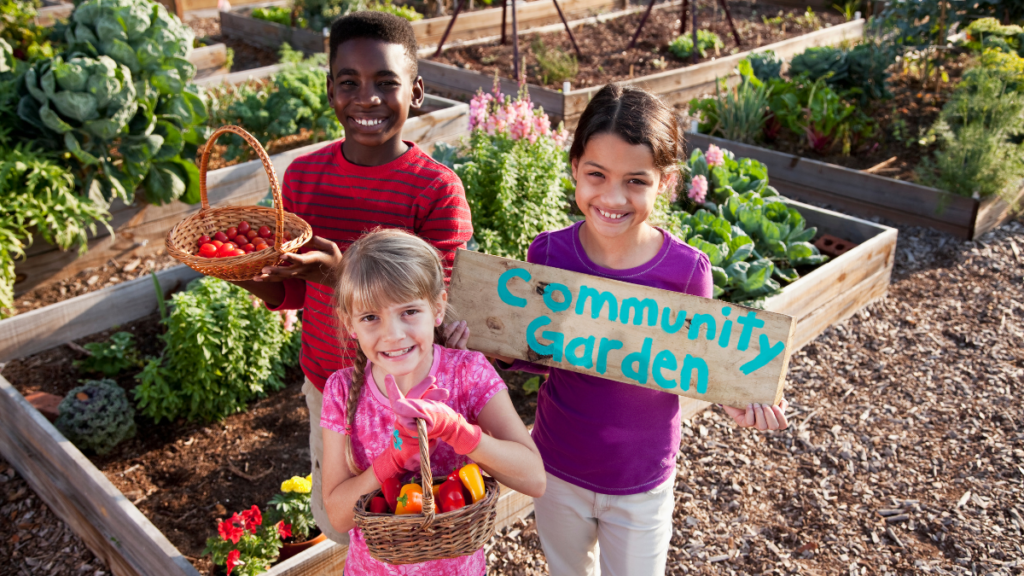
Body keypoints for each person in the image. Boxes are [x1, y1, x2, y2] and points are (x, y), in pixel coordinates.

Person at [497, 84, 790, 576]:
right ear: (574, 169)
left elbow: (694, 362)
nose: (612, 197)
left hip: (642, 480)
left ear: (666, 183)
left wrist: (736, 398)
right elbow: (535, 348)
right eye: (596, 175)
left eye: (636, 180)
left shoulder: (686, 272)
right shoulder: (549, 254)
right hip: (557, 463)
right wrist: (491, 344)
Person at [230, 11, 472, 545]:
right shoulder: (304, 178)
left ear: (418, 91)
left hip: (409, 393)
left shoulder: (435, 190)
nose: (368, 98)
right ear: (330, 91)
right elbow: (291, 290)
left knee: (414, 520)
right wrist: (244, 273)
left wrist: (342, 273)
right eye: (350, 83)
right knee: (342, 520)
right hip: (328, 382)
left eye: (387, 83)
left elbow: (431, 304)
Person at [319, 228, 546, 574]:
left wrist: (459, 431)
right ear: (349, 324)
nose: (393, 334)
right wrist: (392, 460)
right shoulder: (341, 390)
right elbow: (336, 514)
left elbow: (533, 478)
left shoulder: (467, 374)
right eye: (370, 317)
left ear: (438, 308)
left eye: (409, 311)